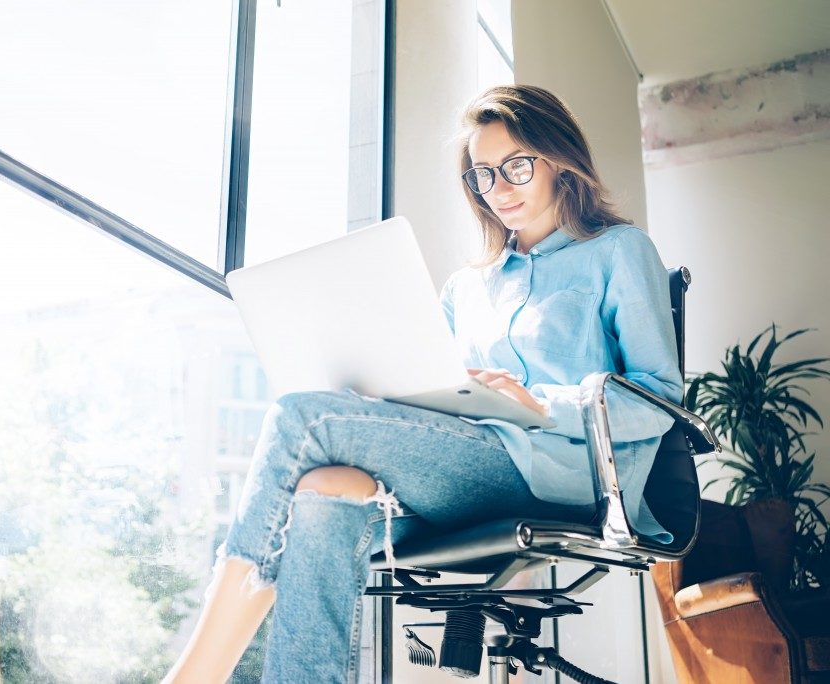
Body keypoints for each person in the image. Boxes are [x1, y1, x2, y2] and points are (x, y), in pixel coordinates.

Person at [163, 84, 681, 683]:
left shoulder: (618, 252)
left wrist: (541, 403)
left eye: (516, 166)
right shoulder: (469, 287)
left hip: (563, 475)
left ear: (560, 158)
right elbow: (439, 388)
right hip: (470, 469)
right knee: (326, 487)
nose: (500, 190)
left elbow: (659, 398)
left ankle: (193, 675)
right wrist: (389, 396)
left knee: (301, 417)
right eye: (484, 175)